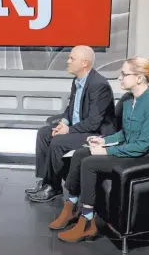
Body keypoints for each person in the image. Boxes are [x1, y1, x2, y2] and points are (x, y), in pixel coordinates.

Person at [49, 57, 149, 242]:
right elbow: (125, 133)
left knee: (90, 163)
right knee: (82, 152)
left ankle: (87, 222)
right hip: (135, 149)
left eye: (124, 74)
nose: (120, 78)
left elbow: (142, 146)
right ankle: (71, 205)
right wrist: (103, 141)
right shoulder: (128, 99)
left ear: (139, 78)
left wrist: (106, 152)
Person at [26, 45, 117, 203]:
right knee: (44, 133)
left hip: (96, 133)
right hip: (79, 128)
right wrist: (63, 122)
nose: (67, 61)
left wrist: (68, 131)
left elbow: (94, 123)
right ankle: (46, 181)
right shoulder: (78, 80)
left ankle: (54, 188)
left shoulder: (99, 85)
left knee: (58, 141)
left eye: (72, 59)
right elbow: (71, 107)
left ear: (84, 63)